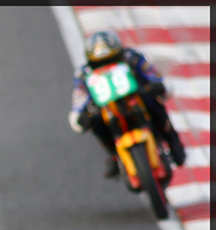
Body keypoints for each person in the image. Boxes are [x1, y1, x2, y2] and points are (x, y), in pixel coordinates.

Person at [68, 30, 187, 178]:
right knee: (96, 121)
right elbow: (80, 97)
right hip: (108, 109)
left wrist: (158, 85)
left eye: (110, 61)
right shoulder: (84, 74)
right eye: (101, 64)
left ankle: (173, 141)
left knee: (152, 103)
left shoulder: (132, 57)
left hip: (136, 99)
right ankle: (113, 154)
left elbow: (152, 74)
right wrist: (80, 115)